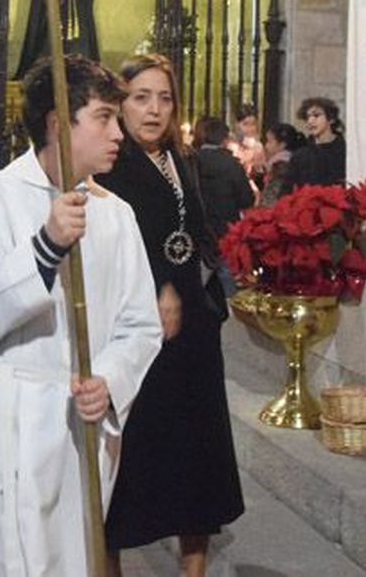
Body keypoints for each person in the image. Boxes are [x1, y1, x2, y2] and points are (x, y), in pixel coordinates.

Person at [0, 55, 161, 575]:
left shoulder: (115, 213)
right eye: (104, 117)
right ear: (60, 122)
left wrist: (109, 380)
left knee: (69, 560)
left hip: (75, 426)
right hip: (1, 418)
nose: (118, 132)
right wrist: (45, 246)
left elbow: (139, 324)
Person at [96, 56, 243, 574]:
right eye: (140, 97)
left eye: (163, 98)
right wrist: (150, 291)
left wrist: (211, 281)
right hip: (138, 330)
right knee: (130, 462)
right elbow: (103, 251)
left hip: (193, 329)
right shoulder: (110, 163)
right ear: (120, 103)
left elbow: (196, 228)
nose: (153, 109)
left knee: (197, 455)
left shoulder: (181, 160)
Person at [191, 115, 255, 240]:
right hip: (226, 229)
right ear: (225, 139)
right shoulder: (231, 163)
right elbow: (246, 199)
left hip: (197, 227)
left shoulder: (190, 160)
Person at [283, 96, 346, 191]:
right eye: (307, 117)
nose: (310, 121)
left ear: (331, 119)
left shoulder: (346, 151)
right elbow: (286, 190)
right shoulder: (300, 156)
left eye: (316, 115)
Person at [229, 104, 266, 184]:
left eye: (253, 124)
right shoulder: (230, 145)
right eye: (245, 124)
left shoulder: (258, 146)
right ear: (237, 125)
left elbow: (260, 171)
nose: (250, 128)